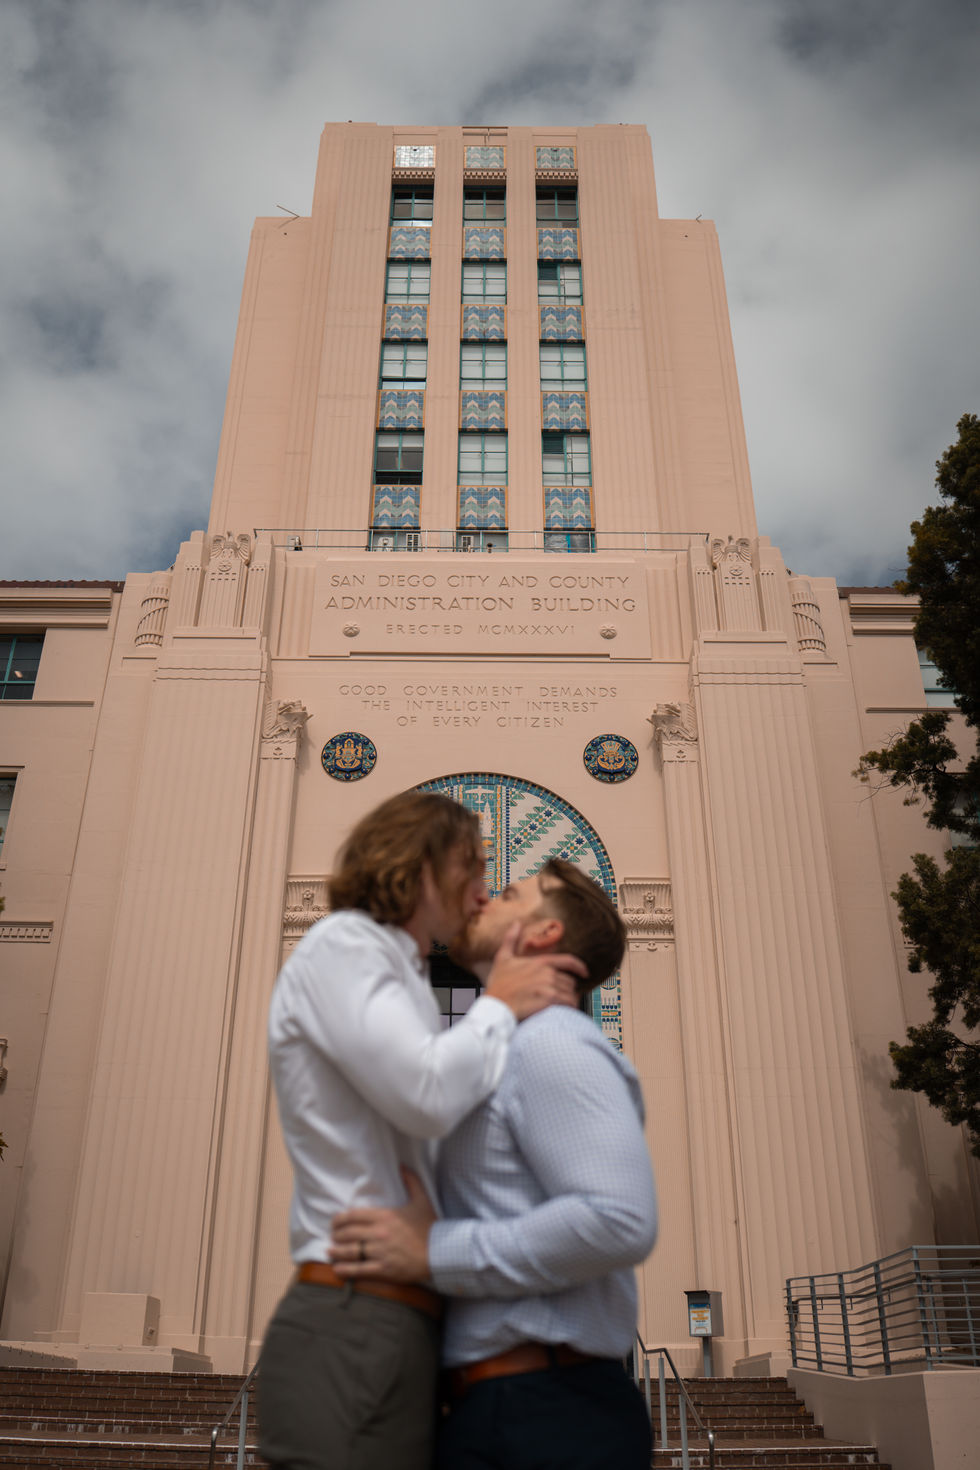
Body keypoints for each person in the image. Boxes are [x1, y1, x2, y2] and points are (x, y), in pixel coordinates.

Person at [257, 793, 586, 1470]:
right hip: (354, 1316)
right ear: (423, 865)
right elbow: (428, 1094)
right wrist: (498, 1005)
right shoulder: (345, 946)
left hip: (399, 1321)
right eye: (473, 867)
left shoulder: (396, 970)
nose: (483, 890)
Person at [331, 858, 658, 1470]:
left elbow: (618, 1220)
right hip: (492, 1411)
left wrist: (435, 1251)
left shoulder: (555, 1043)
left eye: (508, 894)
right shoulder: (499, 1050)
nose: (482, 899)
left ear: (541, 935)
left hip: (548, 1419)